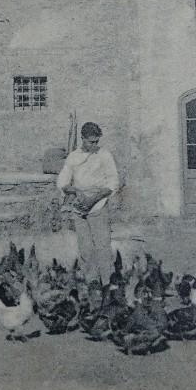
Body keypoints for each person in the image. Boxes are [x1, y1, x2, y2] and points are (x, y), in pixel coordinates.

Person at [56, 121, 121, 282]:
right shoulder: (73, 157)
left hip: (98, 205)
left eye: (96, 142)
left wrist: (93, 199)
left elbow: (113, 183)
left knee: (103, 248)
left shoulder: (104, 155)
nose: (94, 145)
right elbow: (62, 182)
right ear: (82, 139)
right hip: (79, 207)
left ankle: (108, 285)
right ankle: (92, 285)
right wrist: (76, 192)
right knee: (85, 249)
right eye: (91, 142)